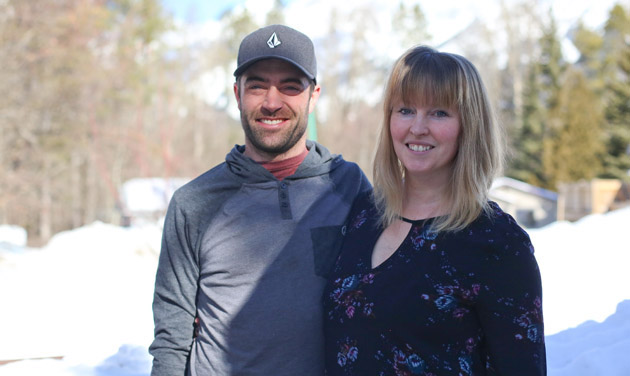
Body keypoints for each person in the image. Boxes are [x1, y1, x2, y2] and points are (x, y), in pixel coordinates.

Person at [149, 24, 371, 376]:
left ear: (313, 96)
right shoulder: (193, 203)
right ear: (237, 94)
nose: (271, 102)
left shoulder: (350, 186)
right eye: (257, 85)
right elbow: (171, 337)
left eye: (289, 86)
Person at [323, 46, 546, 375]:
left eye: (439, 112)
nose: (417, 127)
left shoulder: (497, 242)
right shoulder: (364, 213)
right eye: (405, 110)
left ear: (468, 125)